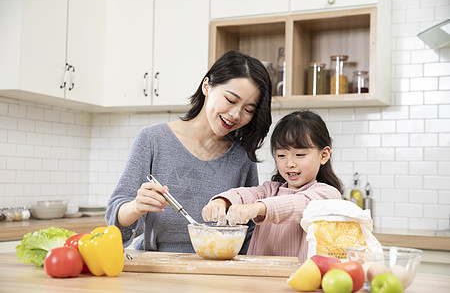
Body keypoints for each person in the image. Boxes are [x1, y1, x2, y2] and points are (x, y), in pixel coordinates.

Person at [106, 50, 272, 253]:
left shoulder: (242, 157)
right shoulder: (152, 139)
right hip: (156, 266)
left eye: (248, 110)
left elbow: (249, 233)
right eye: (230, 100)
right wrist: (136, 207)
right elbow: (116, 225)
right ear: (206, 86)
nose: (236, 114)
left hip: (219, 269)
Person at [202, 110, 342, 261]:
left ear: (324, 155)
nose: (290, 164)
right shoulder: (270, 190)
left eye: (300, 155)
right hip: (258, 276)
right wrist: (221, 202)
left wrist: (257, 208)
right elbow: (245, 194)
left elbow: (298, 204)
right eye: (281, 155)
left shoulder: (328, 195)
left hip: (300, 278)